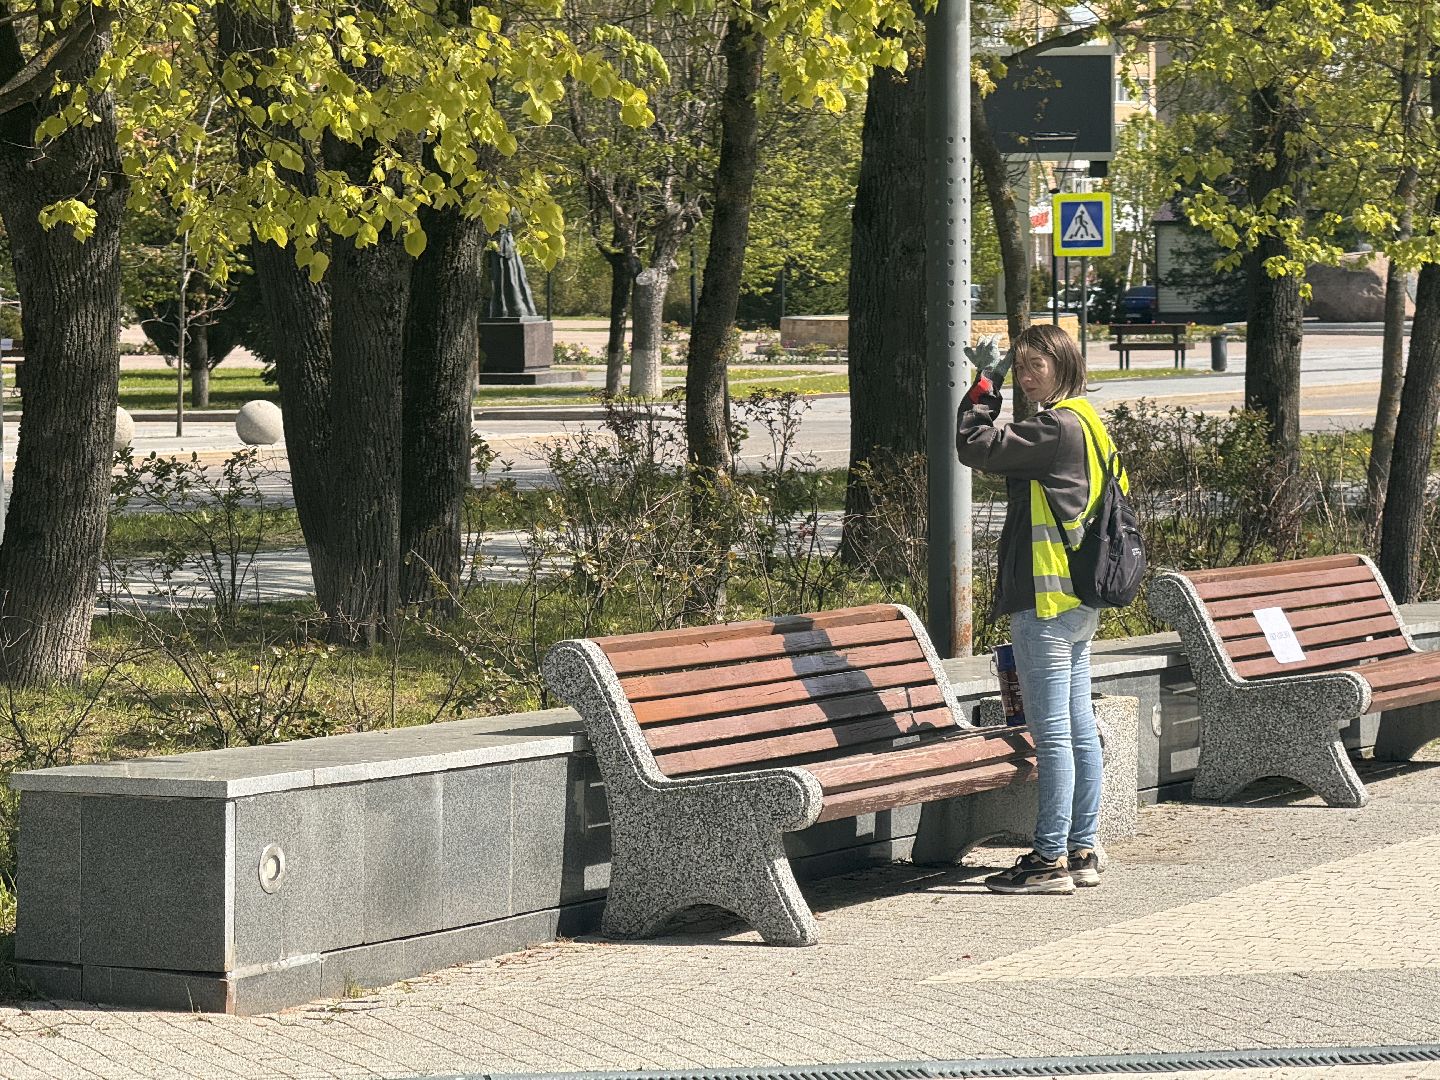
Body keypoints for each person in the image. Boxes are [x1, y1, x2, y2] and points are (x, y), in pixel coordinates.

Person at [955, 323, 1123, 895]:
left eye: (1035, 367)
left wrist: (985, 383)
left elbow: (973, 447)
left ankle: (1049, 859)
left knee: (1053, 735)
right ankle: (1082, 849)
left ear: (1064, 365)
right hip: (1079, 601)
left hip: (1046, 602)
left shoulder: (1054, 428)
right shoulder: (1091, 423)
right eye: (1018, 367)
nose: (1026, 378)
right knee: (1077, 731)